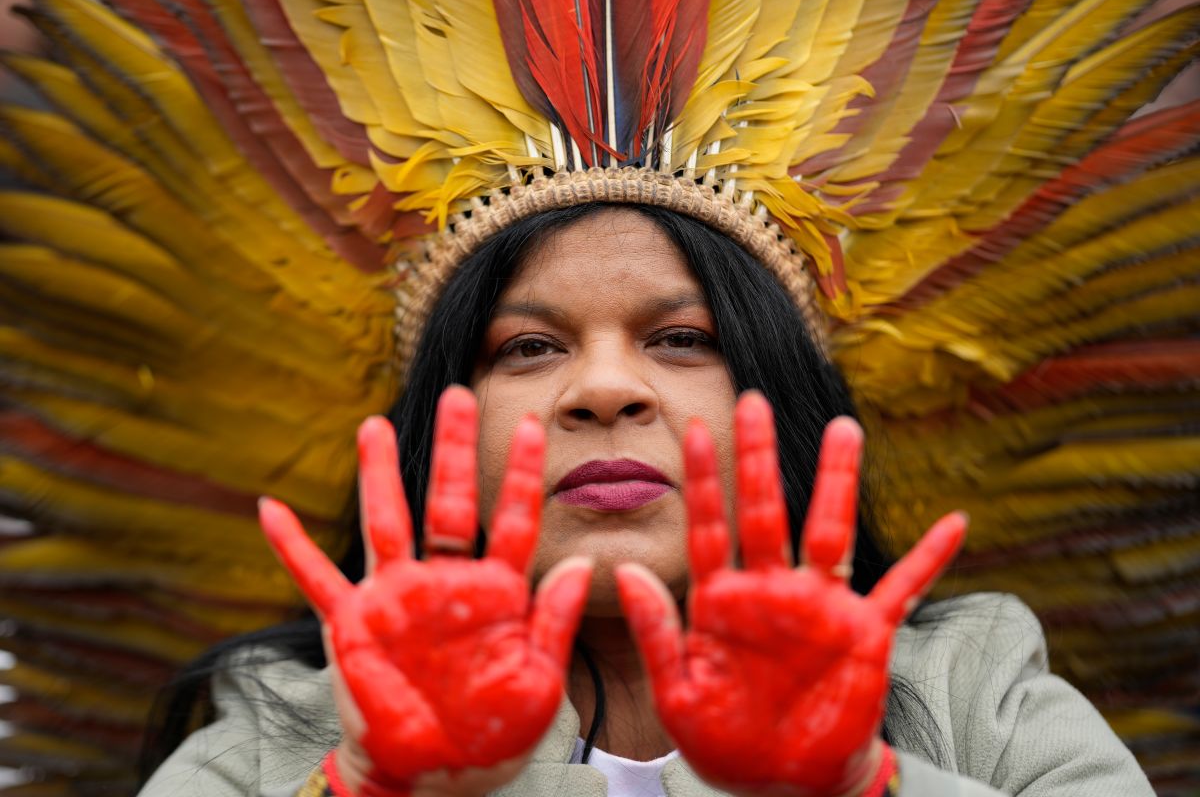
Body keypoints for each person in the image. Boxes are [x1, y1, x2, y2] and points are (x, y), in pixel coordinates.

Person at [136, 204, 1153, 797]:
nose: (604, 388)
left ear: (776, 401)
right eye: (529, 347)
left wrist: (855, 784)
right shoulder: (286, 722)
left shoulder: (968, 682)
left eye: (682, 337)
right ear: (446, 425)